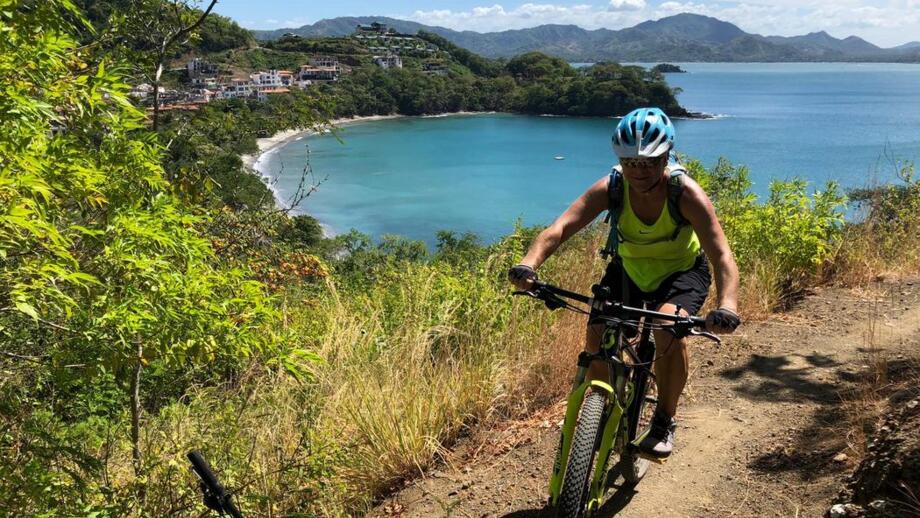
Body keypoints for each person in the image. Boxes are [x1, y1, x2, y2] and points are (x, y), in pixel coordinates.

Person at [508, 107, 741, 459]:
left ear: (666, 157)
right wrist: (528, 264)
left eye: (649, 162)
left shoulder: (685, 193)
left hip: (681, 273)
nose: (639, 171)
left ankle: (664, 419)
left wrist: (728, 306)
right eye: (631, 162)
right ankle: (601, 408)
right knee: (598, 331)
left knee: (667, 326)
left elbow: (722, 254)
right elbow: (559, 229)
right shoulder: (612, 188)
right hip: (628, 270)